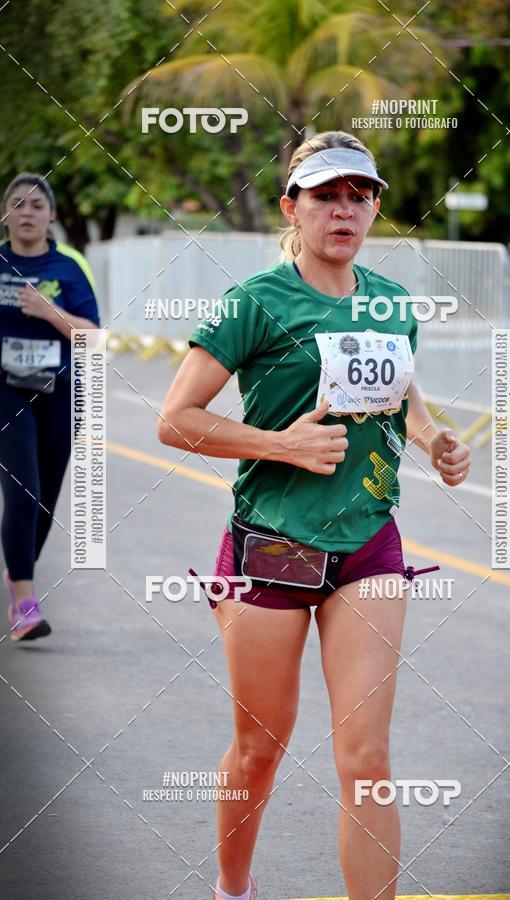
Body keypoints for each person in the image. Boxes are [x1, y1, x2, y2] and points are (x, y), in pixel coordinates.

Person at [158, 131, 471, 900]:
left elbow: (403, 393)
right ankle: (233, 889)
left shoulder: (394, 302)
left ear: (373, 209)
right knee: (260, 747)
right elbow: (175, 419)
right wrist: (281, 444)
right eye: (326, 194)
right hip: (274, 546)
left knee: (365, 755)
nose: (345, 209)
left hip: (369, 542)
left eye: (359, 195)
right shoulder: (256, 302)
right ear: (291, 206)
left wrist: (433, 439)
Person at [0, 173, 100, 641]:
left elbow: (93, 336)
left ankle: (18, 570)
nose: (26, 212)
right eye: (17, 203)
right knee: (22, 493)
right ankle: (24, 600)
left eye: (36, 205)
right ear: (5, 214)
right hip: (6, 393)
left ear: (52, 215)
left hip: (58, 394)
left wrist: (48, 311)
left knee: (42, 501)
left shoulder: (67, 270)